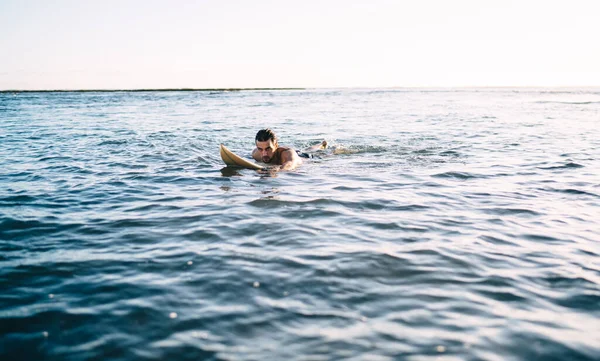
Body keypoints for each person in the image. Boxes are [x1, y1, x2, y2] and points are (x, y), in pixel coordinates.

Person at [252, 129, 327, 171]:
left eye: (268, 149)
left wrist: (276, 170)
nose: (264, 153)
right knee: (306, 149)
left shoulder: (287, 154)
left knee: (310, 152)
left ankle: (321, 145)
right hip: (297, 152)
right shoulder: (256, 154)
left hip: (303, 157)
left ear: (276, 145)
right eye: (260, 149)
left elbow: (290, 165)